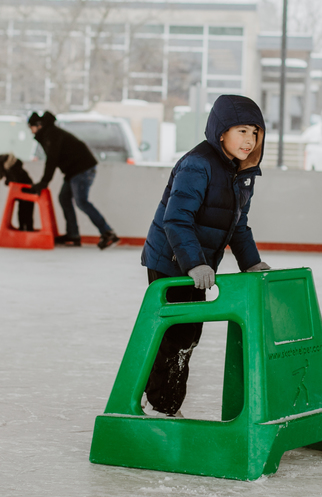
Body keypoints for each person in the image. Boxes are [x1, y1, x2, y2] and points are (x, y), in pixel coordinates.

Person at [140, 94, 271, 417]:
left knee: (188, 335)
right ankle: (161, 406)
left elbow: (238, 224)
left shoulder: (240, 172)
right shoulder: (197, 165)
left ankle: (158, 398)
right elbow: (176, 219)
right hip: (172, 260)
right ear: (221, 132)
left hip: (195, 264)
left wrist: (251, 262)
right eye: (242, 131)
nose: (249, 140)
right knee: (175, 335)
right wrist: (195, 263)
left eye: (255, 133)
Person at [27, 111, 119, 249]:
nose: (31, 131)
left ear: (38, 125)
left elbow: (52, 160)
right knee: (64, 198)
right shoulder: (48, 134)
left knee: (81, 201)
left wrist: (44, 181)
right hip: (74, 171)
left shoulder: (51, 134)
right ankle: (73, 235)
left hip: (82, 169)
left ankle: (107, 232)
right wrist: (44, 181)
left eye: (31, 127)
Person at [0, 153, 34, 231]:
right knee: (25, 213)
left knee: (24, 213)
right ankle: (26, 230)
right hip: (26, 194)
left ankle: (25, 230)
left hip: (26, 194)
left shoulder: (12, 170)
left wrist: (7, 181)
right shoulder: (14, 168)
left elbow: (14, 182)